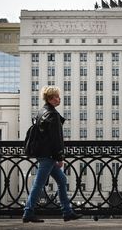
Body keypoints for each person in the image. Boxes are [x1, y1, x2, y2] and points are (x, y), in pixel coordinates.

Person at [22, 86, 82, 223]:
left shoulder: (41, 112)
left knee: (62, 180)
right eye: (56, 96)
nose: (59, 98)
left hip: (43, 153)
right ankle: (28, 212)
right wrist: (59, 157)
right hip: (48, 155)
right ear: (50, 98)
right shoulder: (53, 115)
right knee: (39, 184)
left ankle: (67, 212)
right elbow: (56, 138)